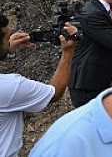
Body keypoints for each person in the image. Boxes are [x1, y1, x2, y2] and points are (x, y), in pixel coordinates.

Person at [0, 14, 77, 157]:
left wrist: (6, 47)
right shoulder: (10, 87)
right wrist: (67, 52)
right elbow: (55, 93)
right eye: (6, 38)